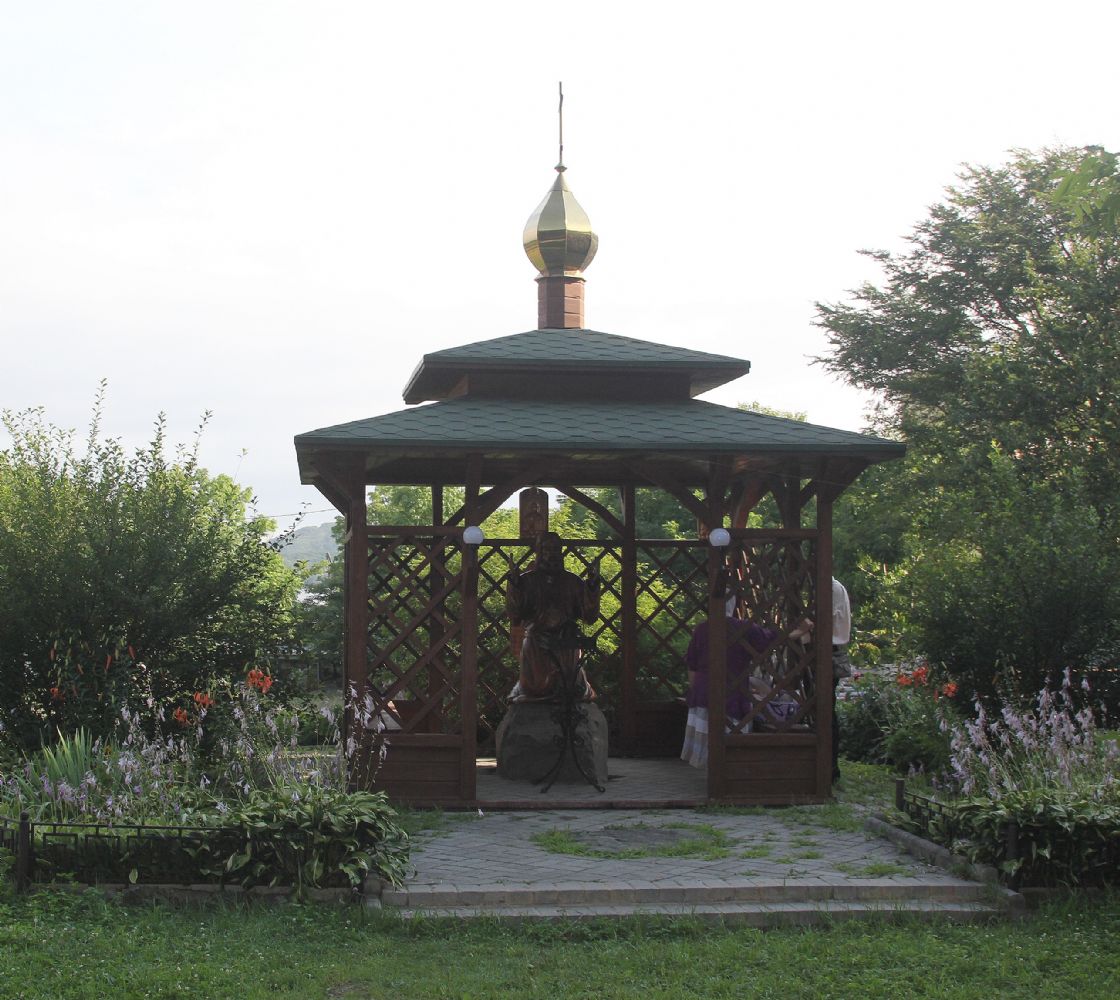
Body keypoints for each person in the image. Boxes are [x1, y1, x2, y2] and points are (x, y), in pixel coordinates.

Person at [680, 595, 812, 768]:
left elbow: (692, 665)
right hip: (731, 693)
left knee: (705, 741)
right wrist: (800, 631)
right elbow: (773, 638)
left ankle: (707, 769)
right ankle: (724, 773)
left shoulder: (702, 629)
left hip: (703, 691)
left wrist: (694, 690)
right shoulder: (743, 628)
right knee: (728, 743)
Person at [505, 531, 600, 702]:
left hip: (566, 641)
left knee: (570, 685)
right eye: (546, 549)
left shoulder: (572, 581)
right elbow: (515, 615)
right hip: (537, 641)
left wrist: (592, 588)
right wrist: (515, 586)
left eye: (555, 549)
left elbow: (589, 617)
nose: (551, 554)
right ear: (539, 552)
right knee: (535, 686)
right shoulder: (528, 580)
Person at [831, 576, 852, 783]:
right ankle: (830, 766)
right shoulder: (834, 586)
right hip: (830, 651)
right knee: (826, 711)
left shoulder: (831, 588)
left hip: (829, 652)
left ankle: (830, 767)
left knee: (825, 712)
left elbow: (822, 622)